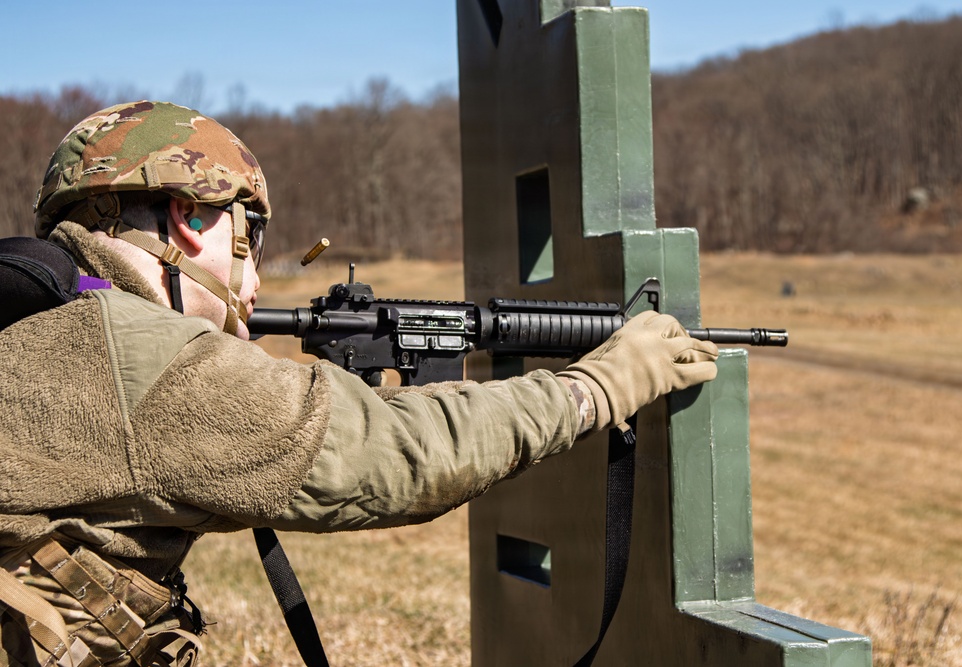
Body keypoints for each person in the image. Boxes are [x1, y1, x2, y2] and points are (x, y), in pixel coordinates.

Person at [0, 100, 718, 666]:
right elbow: (392, 453)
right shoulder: (144, 357)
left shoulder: (46, 316)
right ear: (189, 218)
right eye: (247, 238)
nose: (251, 285)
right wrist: (598, 385)